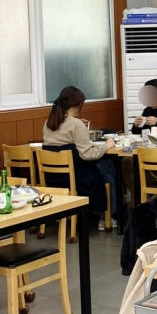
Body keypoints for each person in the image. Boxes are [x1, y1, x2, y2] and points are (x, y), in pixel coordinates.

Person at [43, 86, 115, 231]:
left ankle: (101, 215)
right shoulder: (76, 124)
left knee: (104, 169)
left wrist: (76, 122)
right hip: (78, 179)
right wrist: (106, 146)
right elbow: (87, 154)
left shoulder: (48, 123)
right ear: (77, 105)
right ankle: (107, 217)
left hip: (53, 178)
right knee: (109, 167)